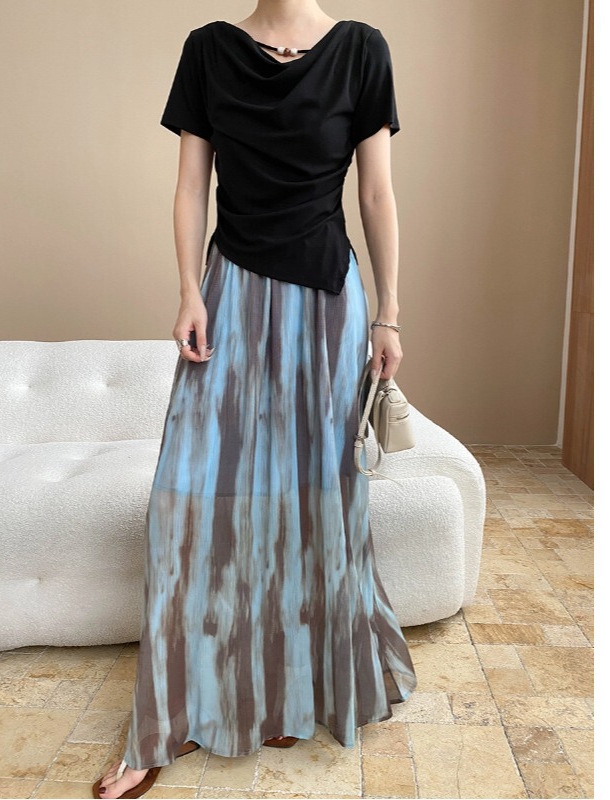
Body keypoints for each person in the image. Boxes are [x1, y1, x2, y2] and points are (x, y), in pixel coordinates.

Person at [94, 2, 417, 797]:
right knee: (186, 504)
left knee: (313, 503)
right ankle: (164, 720)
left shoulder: (361, 50)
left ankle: (291, 690)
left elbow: (376, 195)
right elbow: (190, 187)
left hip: (327, 304)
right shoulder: (208, 50)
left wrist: (388, 313)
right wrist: (187, 291)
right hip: (230, 292)